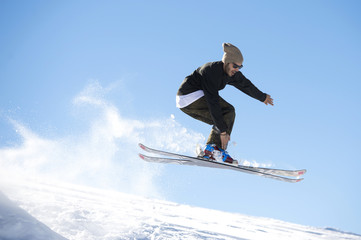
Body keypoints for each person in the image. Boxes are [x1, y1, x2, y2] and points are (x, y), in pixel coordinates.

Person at [176, 43, 273, 165]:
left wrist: (262, 97)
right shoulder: (211, 71)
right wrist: (223, 132)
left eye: (240, 67)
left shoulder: (231, 73)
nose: (237, 69)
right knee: (227, 111)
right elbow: (213, 101)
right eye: (235, 66)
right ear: (227, 62)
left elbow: (245, 84)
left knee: (223, 119)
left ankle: (212, 150)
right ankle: (213, 150)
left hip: (186, 104)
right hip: (189, 95)